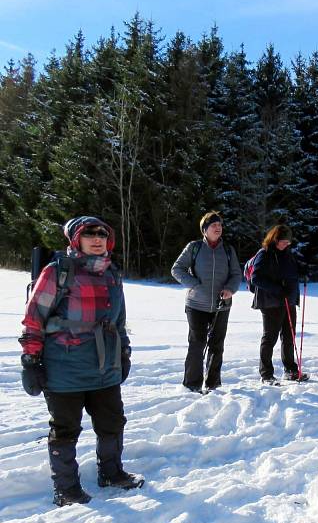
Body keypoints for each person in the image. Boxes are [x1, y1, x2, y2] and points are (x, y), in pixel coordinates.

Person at [19, 216, 143, 507]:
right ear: (76, 239)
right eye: (89, 234)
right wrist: (30, 360)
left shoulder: (112, 272)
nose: (97, 238)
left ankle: (111, 473)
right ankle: (66, 489)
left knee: (112, 422)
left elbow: (119, 321)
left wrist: (124, 351)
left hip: (105, 366)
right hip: (65, 366)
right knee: (65, 428)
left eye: (102, 233)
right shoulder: (58, 271)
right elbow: (33, 318)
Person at [172, 211, 242, 392]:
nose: (218, 228)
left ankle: (213, 384)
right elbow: (177, 269)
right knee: (197, 344)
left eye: (219, 225)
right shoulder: (194, 247)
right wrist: (194, 284)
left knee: (217, 345)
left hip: (222, 305)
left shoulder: (228, 250)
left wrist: (230, 289)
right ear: (205, 229)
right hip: (196, 305)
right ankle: (192, 384)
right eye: (213, 225)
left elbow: (236, 274)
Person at [249, 224, 307, 383]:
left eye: (288, 242)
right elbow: (256, 278)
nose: (286, 244)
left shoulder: (288, 254)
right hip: (270, 302)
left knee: (289, 337)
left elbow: (291, 272)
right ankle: (266, 374)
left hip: (289, 301)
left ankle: (290, 370)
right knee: (270, 338)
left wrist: (302, 272)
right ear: (275, 239)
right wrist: (278, 289)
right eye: (283, 241)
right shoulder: (265, 254)